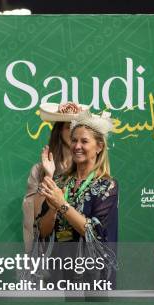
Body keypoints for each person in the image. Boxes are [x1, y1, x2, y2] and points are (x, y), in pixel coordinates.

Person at [34, 110, 118, 287]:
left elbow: (95, 234)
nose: (77, 146)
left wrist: (62, 204)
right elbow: (42, 231)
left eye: (84, 141)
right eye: (74, 140)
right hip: (58, 274)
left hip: (93, 278)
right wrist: (54, 207)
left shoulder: (107, 186)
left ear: (99, 147)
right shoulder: (60, 181)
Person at [22, 102, 86, 252]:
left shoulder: (88, 171)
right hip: (50, 252)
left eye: (78, 127)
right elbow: (33, 217)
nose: (74, 131)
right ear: (59, 131)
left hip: (81, 251)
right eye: (69, 126)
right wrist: (49, 176)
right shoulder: (39, 170)